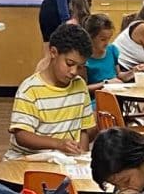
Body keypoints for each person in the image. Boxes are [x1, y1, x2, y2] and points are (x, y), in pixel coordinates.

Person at [6, 24, 95, 159]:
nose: (74, 72)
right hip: (28, 161)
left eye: (80, 67)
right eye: (69, 64)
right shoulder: (30, 89)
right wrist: (57, 144)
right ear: (53, 52)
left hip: (64, 163)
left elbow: (83, 130)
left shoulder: (80, 86)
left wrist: (81, 156)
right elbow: (22, 135)